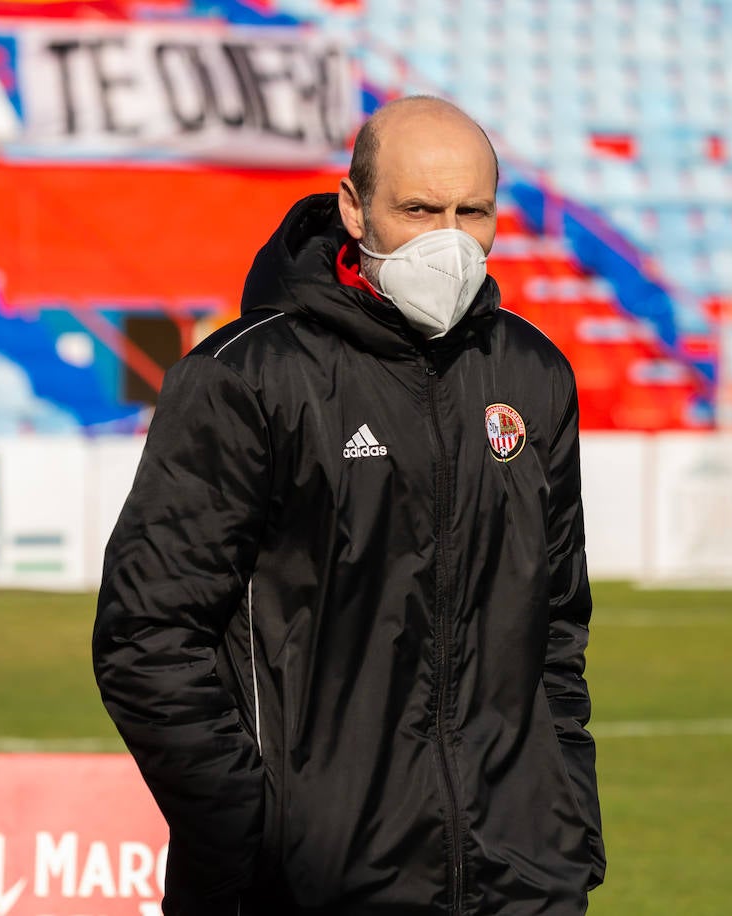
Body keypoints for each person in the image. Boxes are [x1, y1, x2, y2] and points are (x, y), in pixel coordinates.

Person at [93, 95, 605, 916]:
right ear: (353, 208)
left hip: (519, 881)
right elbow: (146, 638)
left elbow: (556, 627)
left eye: (471, 212)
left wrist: (563, 819)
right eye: (418, 209)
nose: (448, 238)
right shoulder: (245, 377)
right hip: (311, 888)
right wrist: (257, 843)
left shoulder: (532, 375)